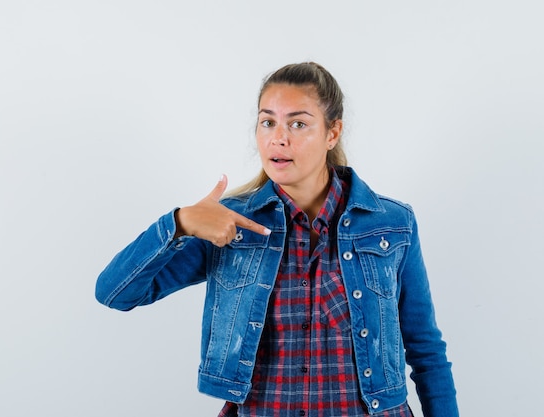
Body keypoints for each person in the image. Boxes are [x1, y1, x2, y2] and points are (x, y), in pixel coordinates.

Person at [95, 62, 458, 417]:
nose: (278, 137)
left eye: (298, 123)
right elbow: (115, 293)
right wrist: (179, 223)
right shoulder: (229, 224)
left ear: (332, 133)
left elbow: (425, 350)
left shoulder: (392, 224)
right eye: (268, 122)